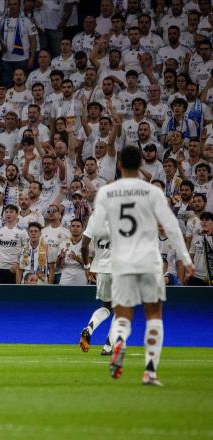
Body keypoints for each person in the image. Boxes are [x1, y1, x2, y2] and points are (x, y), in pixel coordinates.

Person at [83, 146, 194, 386]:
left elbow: (96, 227)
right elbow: (172, 227)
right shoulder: (152, 192)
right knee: (154, 315)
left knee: (122, 313)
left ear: (119, 165)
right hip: (149, 259)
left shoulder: (106, 193)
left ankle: (118, 341)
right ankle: (150, 371)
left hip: (121, 261)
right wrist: (185, 258)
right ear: (141, 163)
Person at [79, 221, 114, 356]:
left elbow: (83, 247)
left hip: (102, 270)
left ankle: (89, 328)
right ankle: (108, 346)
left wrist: (87, 267)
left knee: (106, 306)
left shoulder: (96, 218)